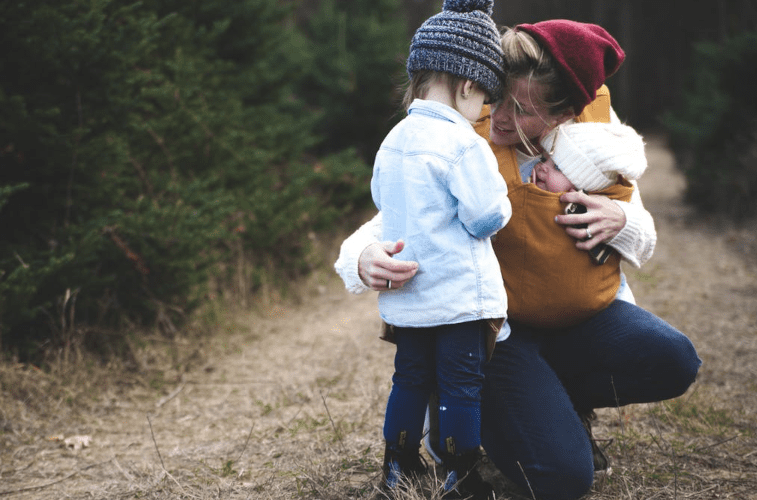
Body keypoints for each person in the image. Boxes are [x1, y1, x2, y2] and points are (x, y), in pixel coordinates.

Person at [335, 19, 701, 500]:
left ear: (565, 113)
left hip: (578, 322)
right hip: (496, 334)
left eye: (522, 110)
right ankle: (473, 398)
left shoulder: (595, 142)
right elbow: (397, 214)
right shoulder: (464, 135)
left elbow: (643, 235)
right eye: (497, 97)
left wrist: (622, 220)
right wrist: (360, 257)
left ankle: (557, 400)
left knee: (674, 359)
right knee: (563, 478)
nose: (500, 116)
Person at [370, 0, 510, 497]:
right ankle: (462, 472)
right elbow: (486, 215)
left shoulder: (393, 140)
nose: (483, 112)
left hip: (409, 297)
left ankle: (397, 463)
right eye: (485, 99)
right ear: (468, 85)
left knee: (408, 378)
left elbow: (381, 203)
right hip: (457, 299)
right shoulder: (463, 142)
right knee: (459, 386)